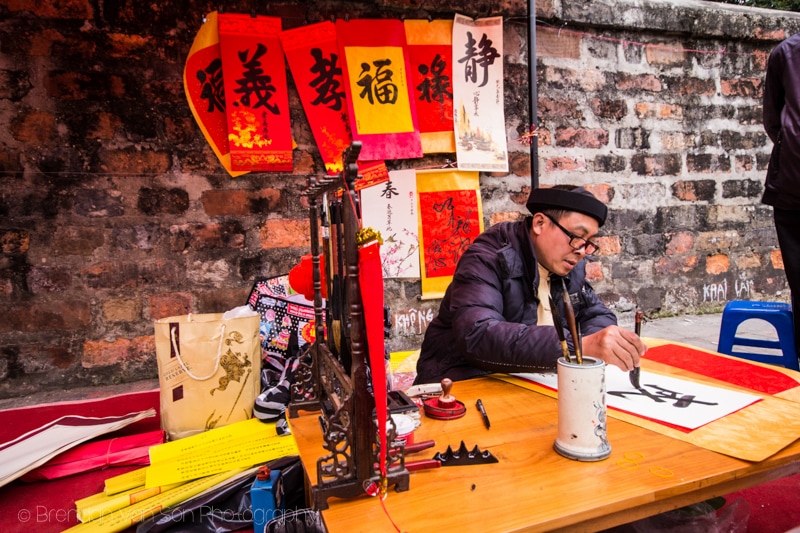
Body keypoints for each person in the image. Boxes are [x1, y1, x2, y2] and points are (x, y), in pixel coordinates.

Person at [414, 185, 647, 385]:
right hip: (464, 383)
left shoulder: (569, 266)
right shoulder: (487, 258)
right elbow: (478, 335)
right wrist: (577, 347)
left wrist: (595, 343)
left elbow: (595, 313)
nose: (581, 251)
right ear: (539, 223)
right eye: (576, 236)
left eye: (588, 243)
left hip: (532, 381)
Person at [763, 32, 800, 352]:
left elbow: (774, 123)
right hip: (792, 184)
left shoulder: (785, 53)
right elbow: (774, 121)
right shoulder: (785, 54)